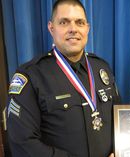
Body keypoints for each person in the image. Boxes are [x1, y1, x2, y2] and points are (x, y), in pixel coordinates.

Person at [7, 0, 120, 157]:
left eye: (79, 22)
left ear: (87, 29)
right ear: (51, 28)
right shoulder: (30, 76)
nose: (73, 29)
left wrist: (122, 149)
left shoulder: (102, 68)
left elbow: (120, 121)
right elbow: (23, 143)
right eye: (64, 22)